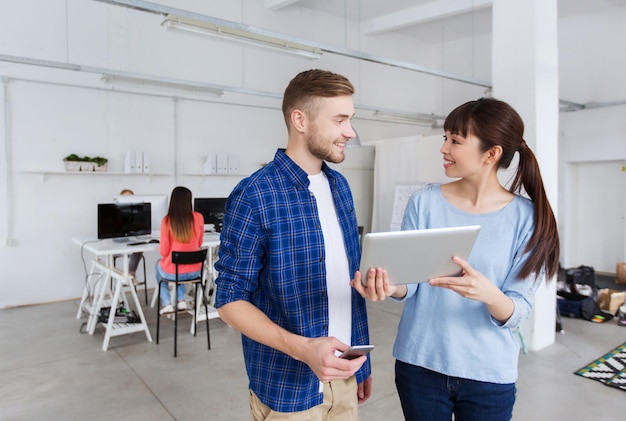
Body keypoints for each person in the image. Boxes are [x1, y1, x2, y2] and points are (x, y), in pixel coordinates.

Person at [353, 97, 560, 421]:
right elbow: (413, 283)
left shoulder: (527, 218)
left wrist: (488, 294)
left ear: (491, 154)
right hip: (419, 365)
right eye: (445, 138)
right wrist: (390, 286)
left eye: (456, 140)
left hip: (489, 374)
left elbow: (518, 310)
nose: (444, 148)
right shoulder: (424, 203)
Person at [215, 69, 372, 419]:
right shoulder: (255, 194)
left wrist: (361, 364)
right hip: (288, 389)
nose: (350, 131)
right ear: (300, 120)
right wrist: (304, 349)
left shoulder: (340, 187)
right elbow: (229, 300)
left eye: (351, 119)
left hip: (345, 373)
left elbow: (346, 283)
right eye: (340, 119)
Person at [156, 186, 205, 314]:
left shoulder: (167, 221)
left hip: (174, 272)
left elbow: (164, 252)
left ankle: (166, 303)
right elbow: (199, 243)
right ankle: (181, 300)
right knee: (180, 264)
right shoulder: (199, 217)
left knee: (159, 266)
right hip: (196, 272)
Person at [117, 189, 143, 280]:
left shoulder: (137, 214)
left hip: (131, 245)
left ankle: (131, 275)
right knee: (135, 250)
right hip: (117, 247)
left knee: (139, 249)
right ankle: (128, 278)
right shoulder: (116, 214)